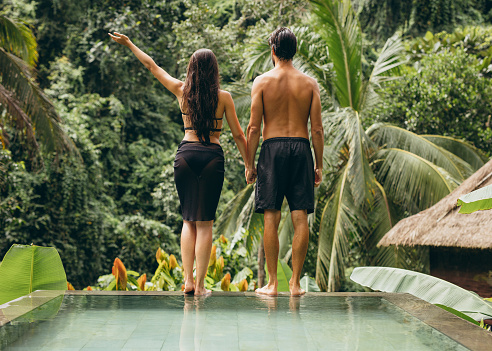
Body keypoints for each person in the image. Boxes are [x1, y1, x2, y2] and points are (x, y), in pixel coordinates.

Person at [109, 32, 249, 296]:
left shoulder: (181, 90)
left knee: (188, 220)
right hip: (211, 157)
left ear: (191, 69)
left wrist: (129, 43)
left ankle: (187, 281)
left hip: (185, 155)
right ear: (214, 71)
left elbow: (152, 65)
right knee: (205, 222)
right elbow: (240, 135)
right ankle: (199, 285)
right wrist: (249, 165)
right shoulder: (225, 97)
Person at [245, 27, 324, 296]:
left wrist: (249, 163)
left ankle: (272, 283)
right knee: (300, 215)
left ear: (273, 50)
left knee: (271, 215)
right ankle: (296, 284)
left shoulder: (262, 82)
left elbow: (253, 128)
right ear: (295, 50)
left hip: (272, 149)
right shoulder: (310, 84)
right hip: (302, 149)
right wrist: (319, 164)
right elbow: (317, 130)